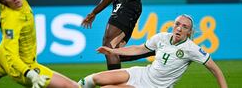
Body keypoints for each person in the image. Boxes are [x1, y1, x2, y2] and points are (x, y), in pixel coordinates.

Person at [78, 14, 228, 88]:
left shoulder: (192, 49)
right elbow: (139, 49)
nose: (179, 28)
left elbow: (216, 70)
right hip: (141, 73)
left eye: (184, 27)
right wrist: (113, 52)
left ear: (189, 32)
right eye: (177, 24)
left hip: (153, 86)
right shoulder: (162, 37)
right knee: (93, 79)